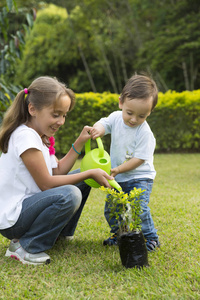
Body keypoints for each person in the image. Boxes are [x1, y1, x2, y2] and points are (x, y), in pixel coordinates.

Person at [0, 76, 113, 265]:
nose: (61, 121)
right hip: (14, 218)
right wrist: (90, 173)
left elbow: (58, 171)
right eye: (55, 114)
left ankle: (59, 233)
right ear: (32, 109)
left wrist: (80, 142)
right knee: (70, 193)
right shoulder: (25, 137)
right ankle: (25, 247)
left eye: (64, 115)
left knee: (80, 180)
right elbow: (46, 183)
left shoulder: (40, 136)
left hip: (29, 207)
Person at [90, 74, 160, 251]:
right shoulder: (115, 118)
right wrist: (98, 129)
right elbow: (104, 123)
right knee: (112, 208)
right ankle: (118, 234)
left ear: (149, 112)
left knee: (139, 208)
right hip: (118, 177)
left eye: (142, 115)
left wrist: (119, 169)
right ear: (121, 102)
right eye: (129, 113)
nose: (134, 119)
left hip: (140, 177)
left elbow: (139, 159)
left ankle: (151, 237)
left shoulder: (145, 133)